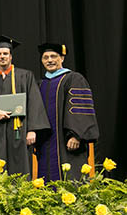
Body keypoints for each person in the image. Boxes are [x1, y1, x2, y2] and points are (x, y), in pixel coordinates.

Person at [0, 36, 49, 177]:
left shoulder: (25, 76)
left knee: (20, 167)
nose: (2, 57)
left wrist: (32, 130)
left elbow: (34, 103)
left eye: (5, 54)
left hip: (20, 129)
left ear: (11, 56)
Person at [36, 43, 99, 180]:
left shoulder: (74, 79)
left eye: (54, 56)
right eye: (45, 57)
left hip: (68, 142)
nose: (50, 60)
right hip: (46, 144)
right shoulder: (40, 84)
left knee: (71, 179)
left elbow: (80, 108)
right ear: (42, 61)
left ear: (62, 58)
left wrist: (76, 135)